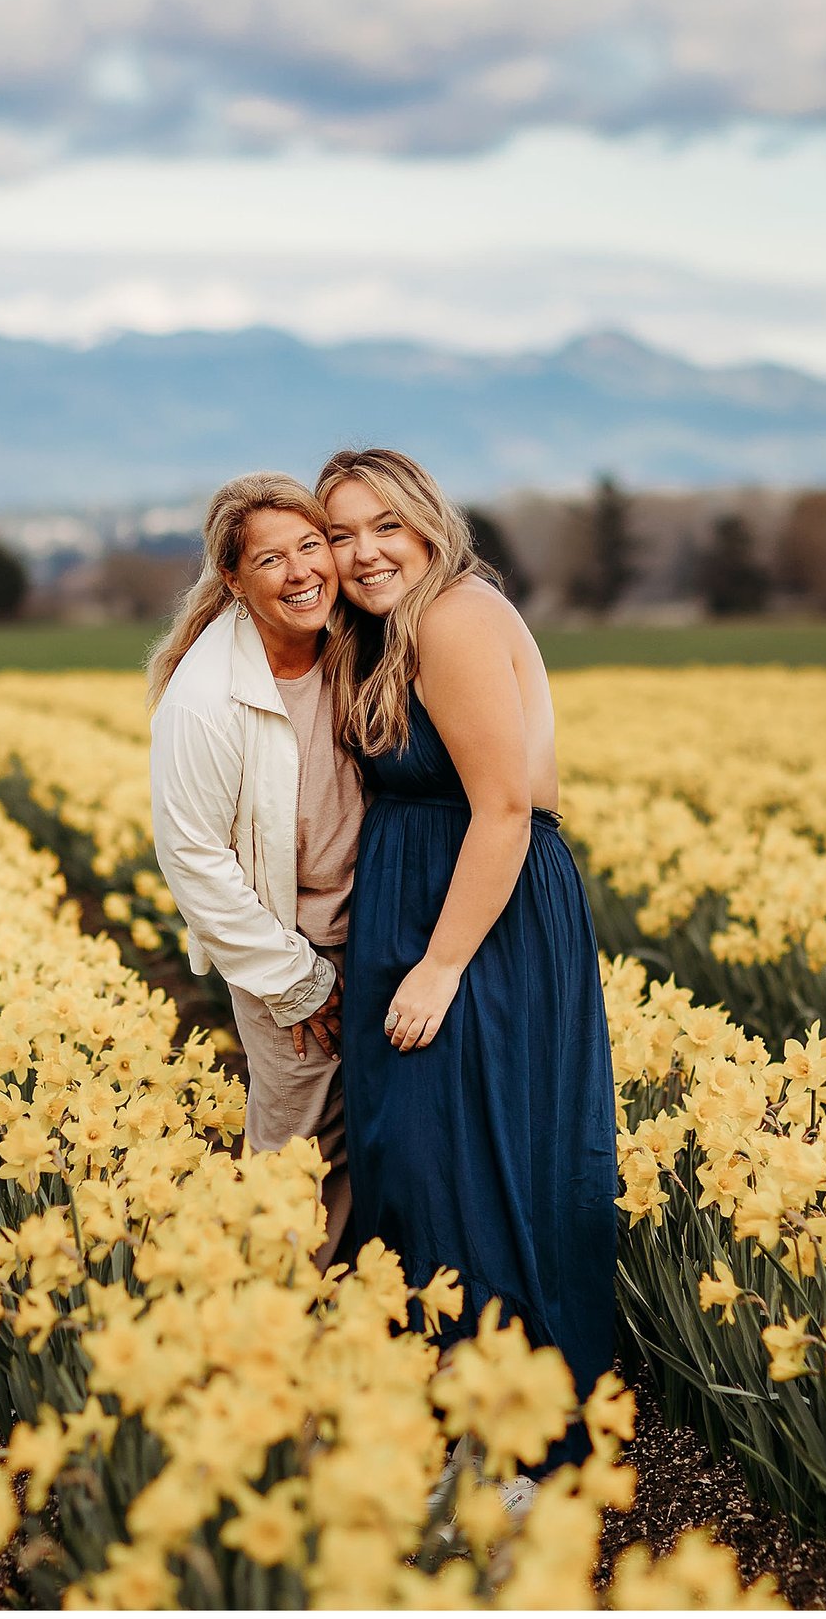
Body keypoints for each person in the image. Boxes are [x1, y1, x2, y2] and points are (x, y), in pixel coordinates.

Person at [319, 447, 619, 1471]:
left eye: (384, 527)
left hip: (475, 917)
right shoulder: (391, 627)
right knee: (423, 1159)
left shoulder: (450, 617)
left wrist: (442, 964)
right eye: (341, 533)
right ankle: (461, 1429)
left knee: (465, 1162)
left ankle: (520, 1452)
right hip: (426, 904)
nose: (364, 553)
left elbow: (502, 807)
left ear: (426, 523)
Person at [146, 472, 362, 1265]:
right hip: (291, 953)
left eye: (313, 545)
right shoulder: (206, 697)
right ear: (233, 580)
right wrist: (293, 982)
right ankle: (276, 1335)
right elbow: (193, 861)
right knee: (297, 1162)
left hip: (379, 935)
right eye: (272, 559)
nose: (302, 571)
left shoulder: (356, 646)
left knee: (376, 1153)